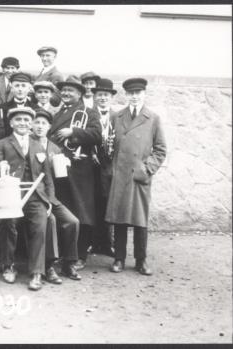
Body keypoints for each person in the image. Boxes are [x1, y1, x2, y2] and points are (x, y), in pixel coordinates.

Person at [0, 107, 56, 291]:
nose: (23, 123)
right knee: (7, 224)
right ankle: (8, 265)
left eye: (27, 120)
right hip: (10, 195)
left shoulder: (38, 145)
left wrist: (49, 200)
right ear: (11, 123)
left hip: (35, 196)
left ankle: (36, 273)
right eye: (18, 119)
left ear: (31, 124)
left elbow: (47, 176)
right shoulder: (2, 144)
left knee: (41, 225)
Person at [106, 77, 167, 275]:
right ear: (126, 95)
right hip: (120, 175)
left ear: (144, 94)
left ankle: (141, 260)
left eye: (138, 93)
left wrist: (146, 169)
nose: (134, 97)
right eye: (130, 93)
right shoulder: (116, 116)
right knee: (120, 218)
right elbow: (109, 145)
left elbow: (160, 149)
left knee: (140, 220)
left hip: (139, 176)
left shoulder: (153, 118)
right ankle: (119, 259)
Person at [48, 75, 102, 270]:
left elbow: (97, 135)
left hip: (79, 170)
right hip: (60, 167)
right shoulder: (58, 113)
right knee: (65, 211)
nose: (66, 93)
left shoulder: (89, 112)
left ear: (79, 93)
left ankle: (80, 255)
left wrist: (74, 133)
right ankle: (64, 254)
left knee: (81, 211)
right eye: (63, 90)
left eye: (70, 90)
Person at [30, 109, 81, 282]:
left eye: (43, 123)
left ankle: (68, 263)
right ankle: (49, 266)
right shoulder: (26, 144)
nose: (39, 126)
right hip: (34, 197)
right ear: (31, 125)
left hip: (51, 196)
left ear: (49, 126)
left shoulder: (55, 148)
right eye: (36, 122)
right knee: (50, 221)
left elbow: (58, 179)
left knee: (72, 222)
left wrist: (64, 166)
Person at [90, 78, 118, 257]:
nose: (102, 98)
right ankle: (93, 242)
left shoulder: (117, 117)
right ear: (95, 97)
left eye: (106, 95)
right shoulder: (89, 114)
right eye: (99, 95)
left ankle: (108, 243)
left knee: (108, 202)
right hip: (92, 164)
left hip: (110, 165)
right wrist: (91, 152)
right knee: (93, 203)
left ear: (111, 97)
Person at [0, 72, 38, 137]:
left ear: (29, 88)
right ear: (11, 88)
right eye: (17, 85)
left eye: (23, 86)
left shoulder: (36, 109)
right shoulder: (2, 109)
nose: (20, 89)